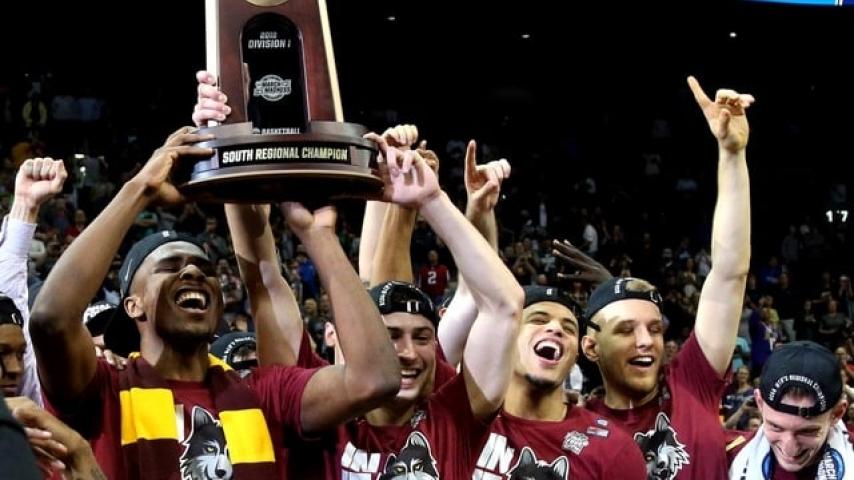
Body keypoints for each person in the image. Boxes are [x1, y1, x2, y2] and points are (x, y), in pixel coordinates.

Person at [28, 128, 401, 479]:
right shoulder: (107, 391)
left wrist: (317, 235)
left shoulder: (262, 391)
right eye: (170, 267)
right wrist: (140, 188)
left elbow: (376, 378)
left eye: (204, 268)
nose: (193, 271)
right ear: (133, 305)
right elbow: (50, 319)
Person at [579, 76, 754, 479]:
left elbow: (729, 273)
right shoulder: (576, 429)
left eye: (655, 329)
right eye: (626, 330)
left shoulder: (690, 381)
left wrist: (732, 154)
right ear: (590, 346)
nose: (646, 341)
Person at [727, 341, 854, 479]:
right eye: (776, 427)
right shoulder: (728, 457)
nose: (790, 449)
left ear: (837, 414)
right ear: (760, 404)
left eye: (807, 431)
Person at [1, 157, 68, 404]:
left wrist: (26, 205)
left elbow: (11, 295)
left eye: (21, 354)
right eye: (1, 353)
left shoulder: (29, 404)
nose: (16, 369)